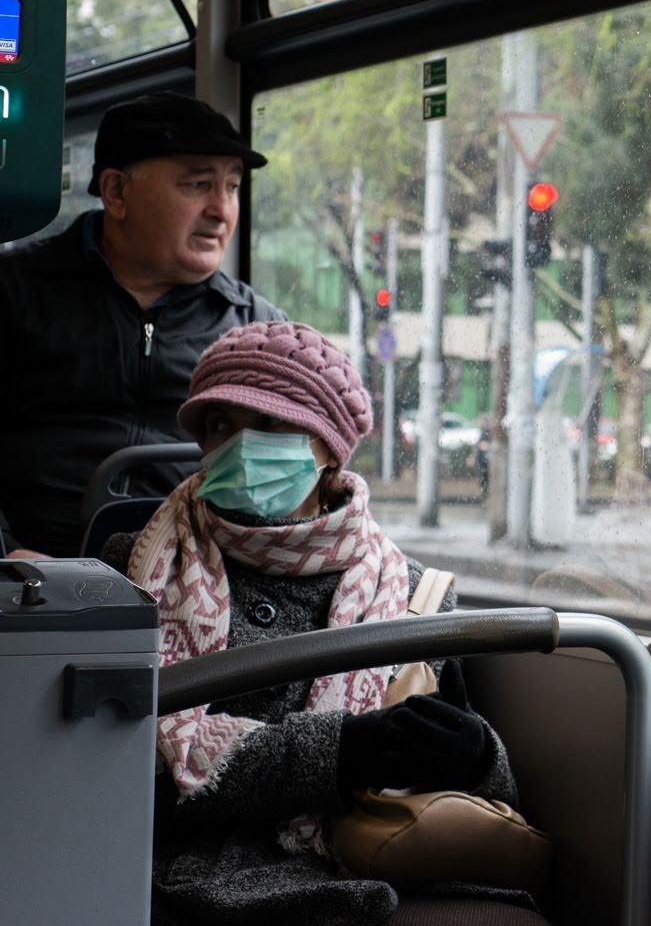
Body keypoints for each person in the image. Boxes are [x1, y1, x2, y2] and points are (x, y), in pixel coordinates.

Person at [101, 321, 535, 926]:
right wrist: (342, 751)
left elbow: (482, 796)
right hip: (169, 872)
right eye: (221, 425)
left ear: (330, 449)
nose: (241, 446)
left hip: (351, 865)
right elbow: (104, 770)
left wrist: (476, 753)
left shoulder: (408, 594)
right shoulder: (135, 568)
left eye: (273, 425)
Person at [0, 91, 284, 558]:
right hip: (27, 582)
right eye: (197, 184)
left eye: (231, 187)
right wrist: (8, 554)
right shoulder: (15, 294)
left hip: (202, 580)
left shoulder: (254, 329)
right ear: (116, 192)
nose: (221, 209)